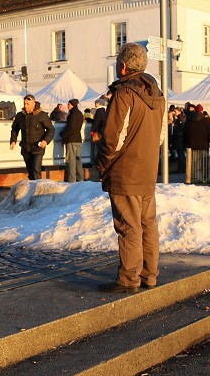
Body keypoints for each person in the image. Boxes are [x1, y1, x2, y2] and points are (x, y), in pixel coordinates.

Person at [95, 42, 166, 294]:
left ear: (122, 66)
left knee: (128, 226)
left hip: (125, 170)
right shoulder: (158, 96)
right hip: (147, 170)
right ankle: (150, 275)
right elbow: (160, 136)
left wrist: (102, 163)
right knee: (147, 223)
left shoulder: (124, 94)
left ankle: (128, 278)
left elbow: (113, 138)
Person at [10, 94, 54, 180]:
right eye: (25, 104)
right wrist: (13, 140)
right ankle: (32, 189)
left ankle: (38, 190)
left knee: (36, 169)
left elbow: (51, 130)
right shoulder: (20, 116)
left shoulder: (42, 115)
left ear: (34, 104)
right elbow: (15, 128)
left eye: (28, 104)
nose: (26, 106)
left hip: (38, 147)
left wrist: (45, 141)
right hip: (26, 148)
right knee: (30, 171)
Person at [61, 97, 84, 182]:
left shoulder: (72, 114)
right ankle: (80, 178)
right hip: (78, 139)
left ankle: (72, 180)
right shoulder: (79, 113)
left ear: (72, 105)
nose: (67, 106)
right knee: (78, 160)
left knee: (71, 161)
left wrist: (63, 135)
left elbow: (71, 127)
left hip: (71, 139)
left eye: (69, 104)